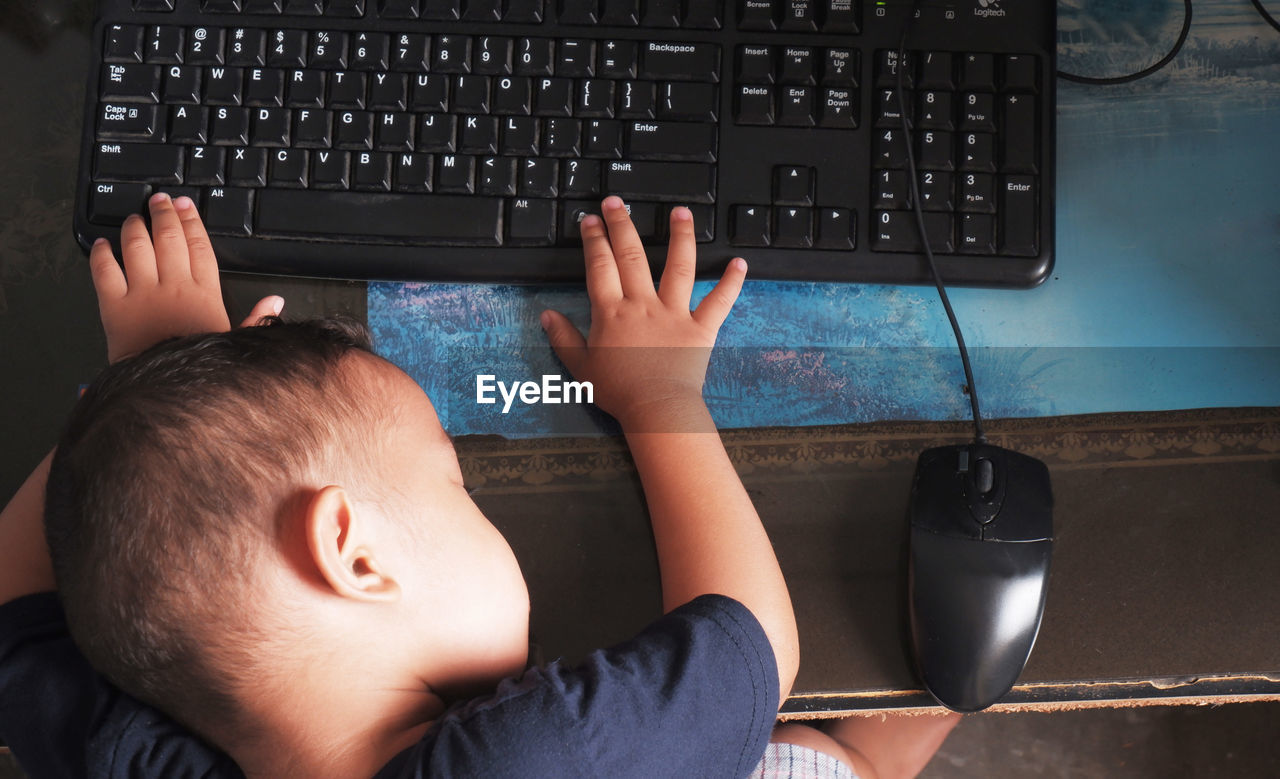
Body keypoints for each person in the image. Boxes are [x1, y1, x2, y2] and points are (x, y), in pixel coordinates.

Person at [0, 193, 956, 778]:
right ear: (355, 552)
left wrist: (155, 390)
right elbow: (751, 639)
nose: (473, 499)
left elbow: (16, 611)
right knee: (857, 737)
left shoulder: (131, 757)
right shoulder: (542, 755)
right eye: (452, 482)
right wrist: (661, 397)